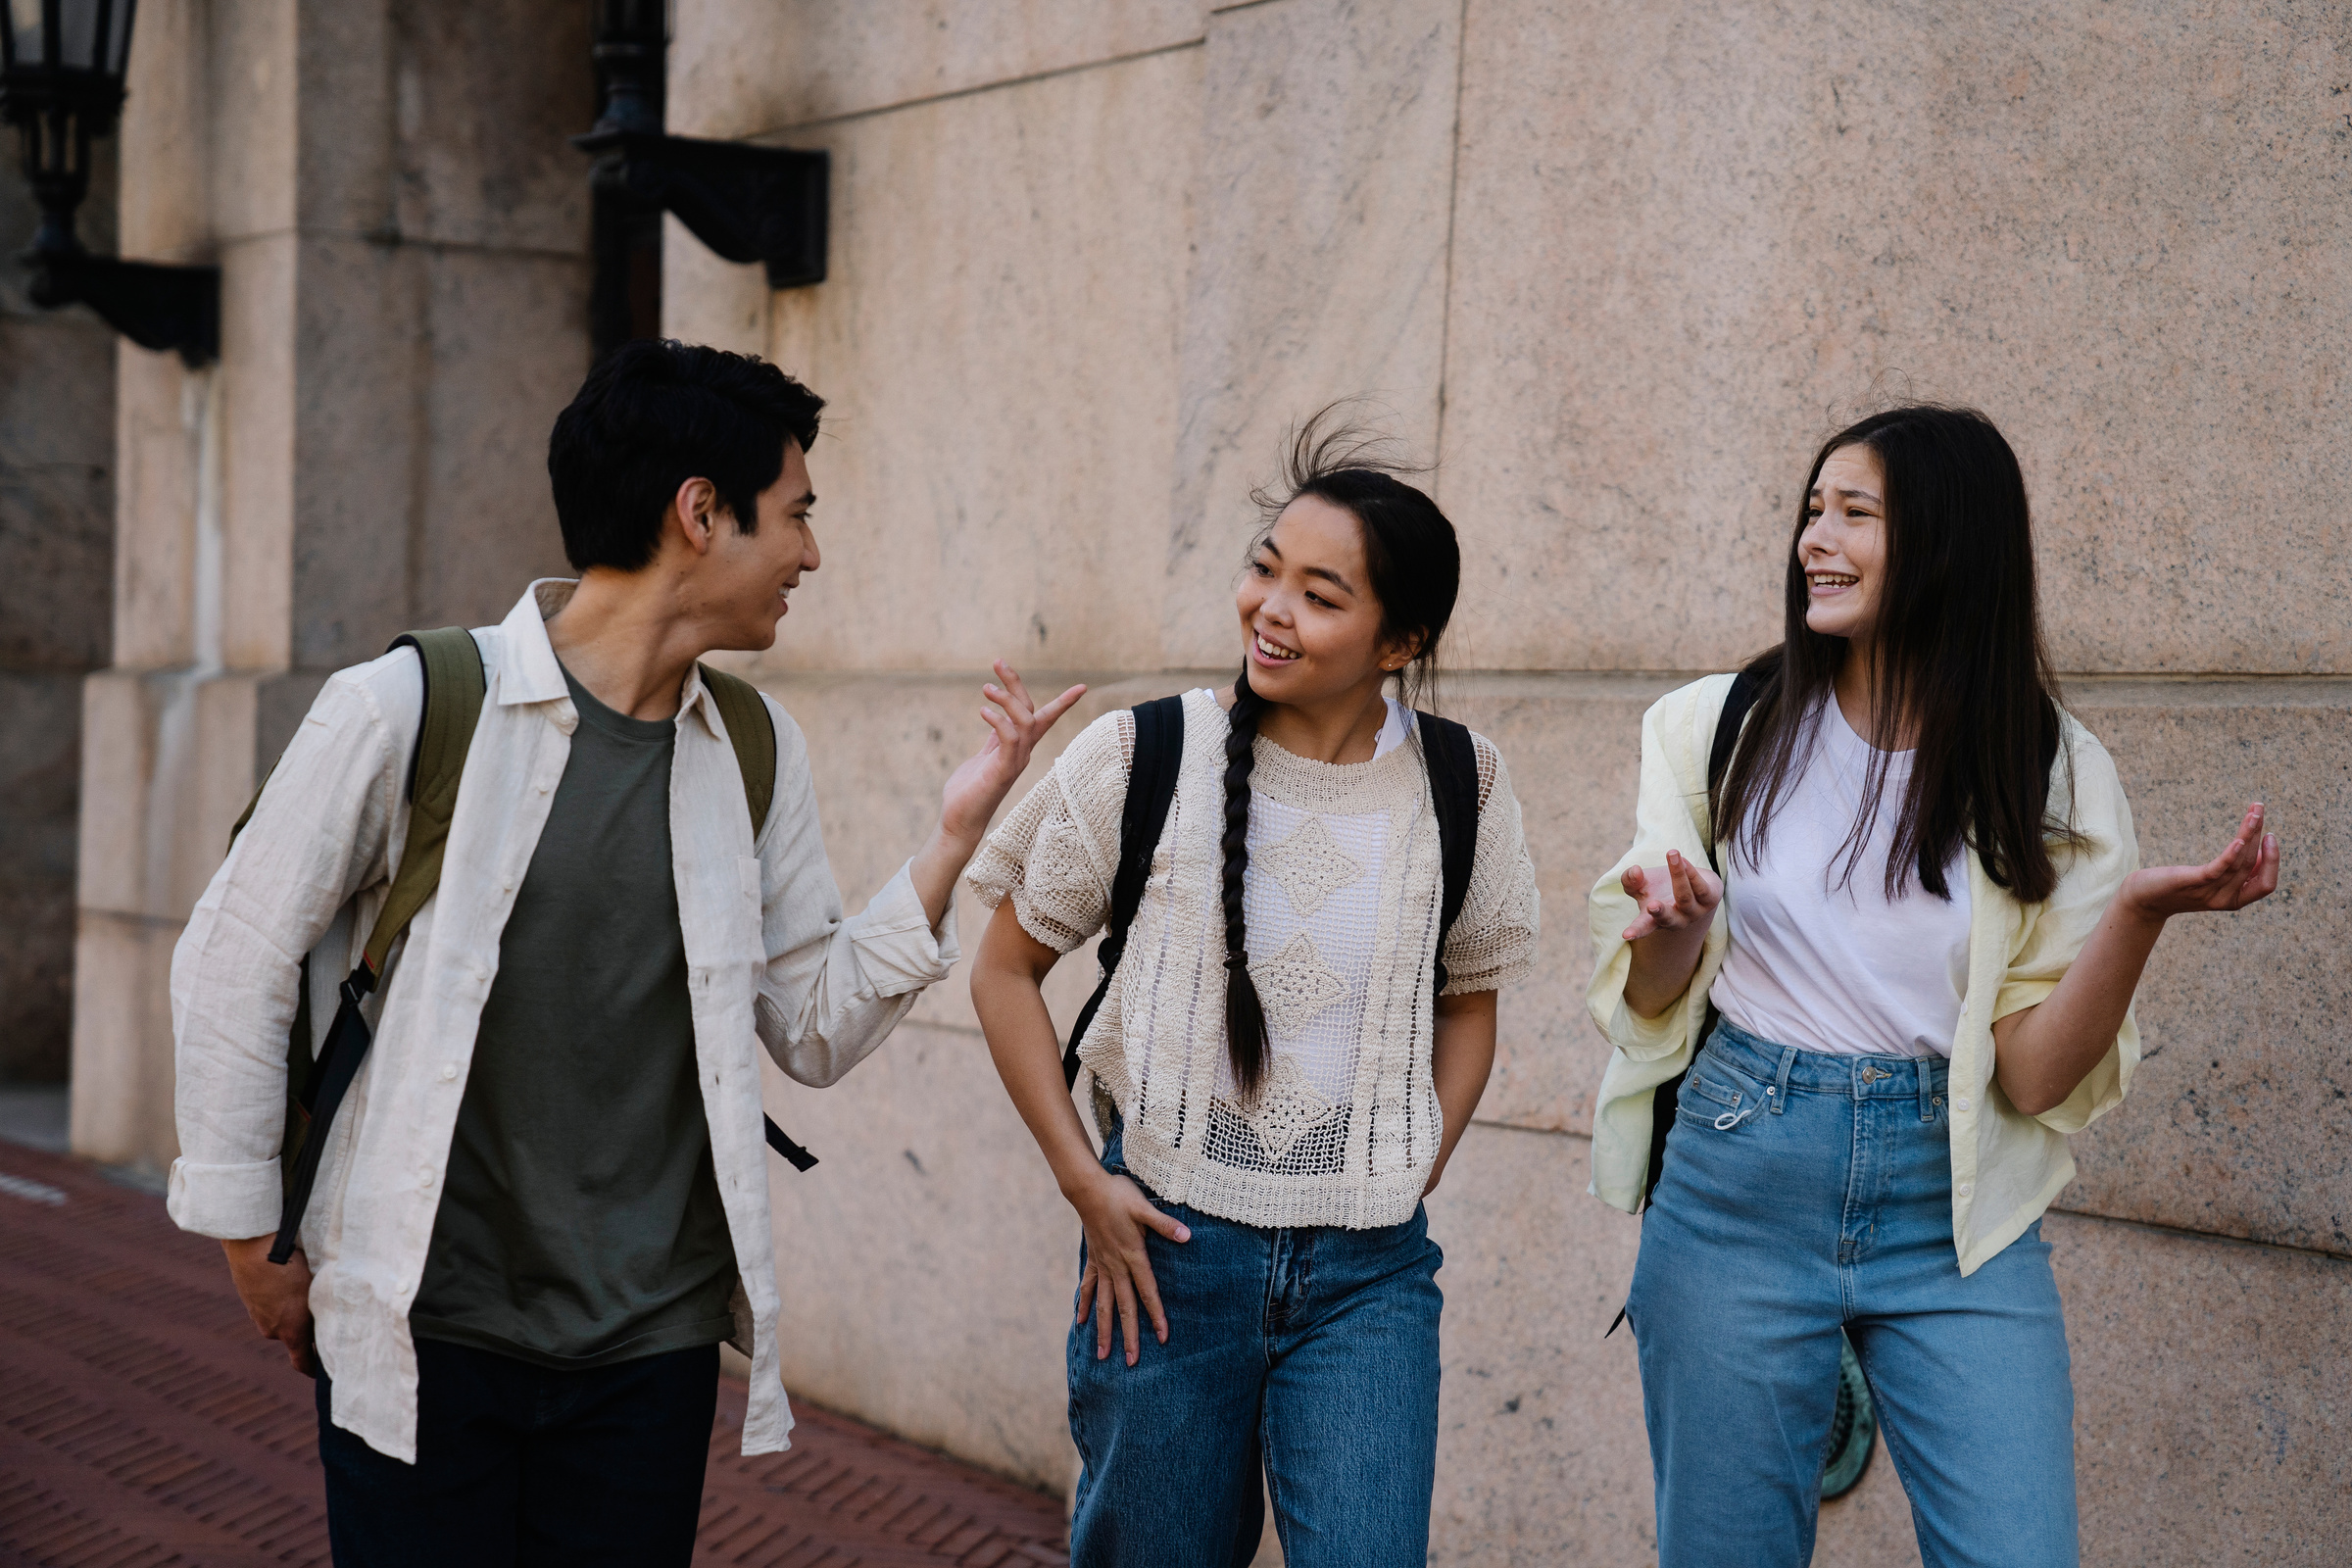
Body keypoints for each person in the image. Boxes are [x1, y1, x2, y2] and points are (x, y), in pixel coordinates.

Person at [166, 338, 1084, 1566]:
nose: (811, 553)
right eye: (796, 515)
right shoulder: (412, 705)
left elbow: (811, 1020)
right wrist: (249, 1241)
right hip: (425, 1326)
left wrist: (953, 834)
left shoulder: (750, 749)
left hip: (646, 1356)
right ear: (699, 513)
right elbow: (234, 956)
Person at [1586, 404, 2281, 1568]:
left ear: (1951, 543)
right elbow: (1655, 996)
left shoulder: (2051, 765)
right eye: (1815, 509)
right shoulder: (1719, 725)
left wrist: (2139, 916)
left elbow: (2032, 1069)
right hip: (1739, 1177)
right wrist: (1674, 929)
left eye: (1856, 513)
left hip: (1953, 1208)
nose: (1818, 537)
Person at [966, 414, 1542, 1567]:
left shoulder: (1460, 782)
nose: (1272, 609)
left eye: (1322, 595)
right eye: (1264, 569)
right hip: (1167, 1258)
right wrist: (1085, 1181)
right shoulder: (1145, 756)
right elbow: (1003, 971)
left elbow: (1470, 1000)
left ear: (1400, 639)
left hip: (1370, 1276)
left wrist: (1412, 1157)